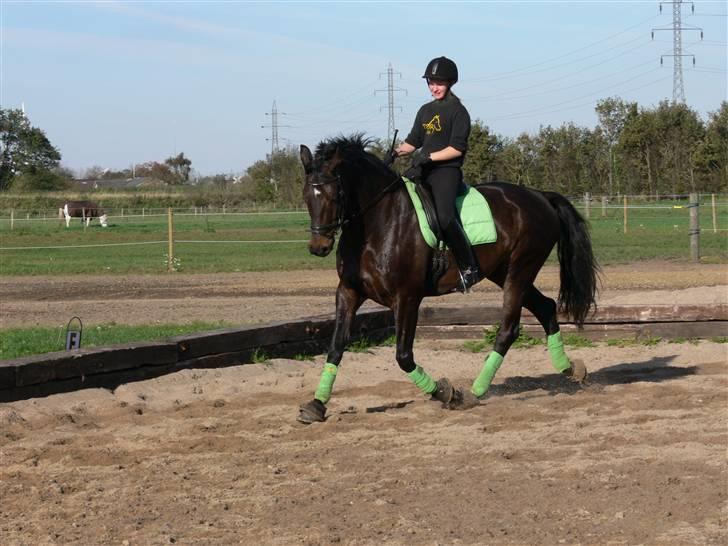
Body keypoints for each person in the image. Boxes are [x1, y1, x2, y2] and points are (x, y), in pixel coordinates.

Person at [393, 56, 481, 292]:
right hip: (422, 169)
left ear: (450, 82)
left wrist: (430, 157)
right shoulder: (425, 110)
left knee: (443, 217)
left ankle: (469, 266)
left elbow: (457, 148)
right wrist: (395, 152)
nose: (434, 87)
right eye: (431, 82)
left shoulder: (458, 112)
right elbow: (414, 141)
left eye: (439, 82)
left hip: (446, 172)